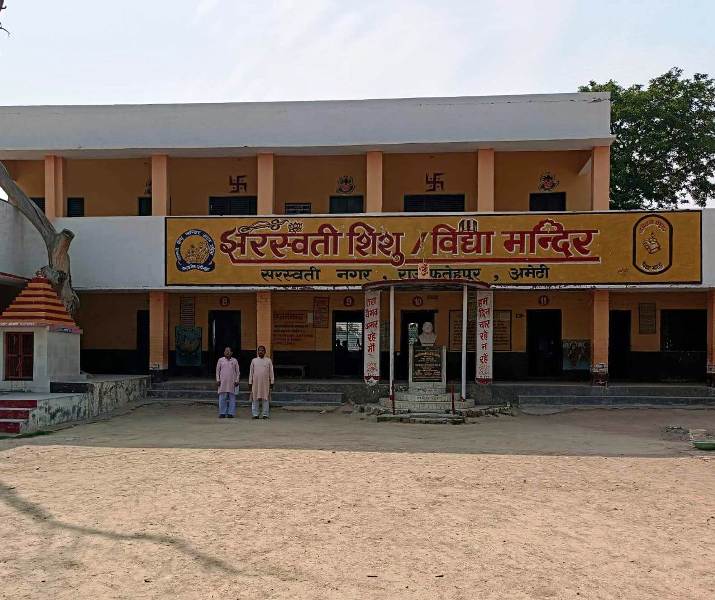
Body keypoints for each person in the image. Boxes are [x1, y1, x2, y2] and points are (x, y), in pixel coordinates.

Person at [249, 345, 274, 419]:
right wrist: (250, 382)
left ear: (265, 352)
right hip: (255, 383)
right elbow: (251, 372)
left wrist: (272, 382)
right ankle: (255, 414)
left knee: (265, 398)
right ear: (257, 352)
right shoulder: (254, 360)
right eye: (259, 350)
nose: (261, 352)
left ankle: (265, 414)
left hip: (265, 384)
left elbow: (271, 372)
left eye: (262, 350)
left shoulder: (268, 360)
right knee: (255, 398)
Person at [216, 346, 240, 419]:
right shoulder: (220, 360)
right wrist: (218, 380)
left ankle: (231, 413)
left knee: (232, 398)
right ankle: (222, 413)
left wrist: (237, 380)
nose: (227, 352)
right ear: (224, 352)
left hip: (232, 383)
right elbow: (217, 371)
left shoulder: (234, 361)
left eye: (229, 351)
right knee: (222, 398)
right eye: (226, 351)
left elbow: (238, 372)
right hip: (222, 382)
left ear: (231, 353)